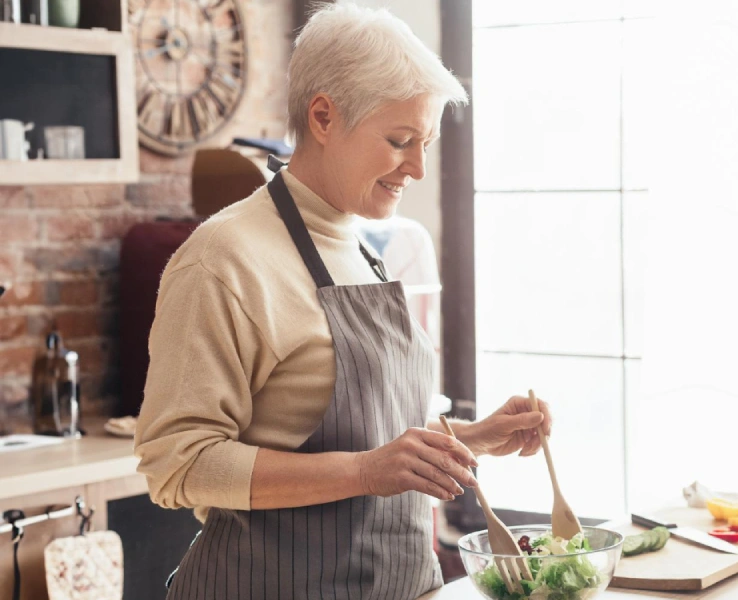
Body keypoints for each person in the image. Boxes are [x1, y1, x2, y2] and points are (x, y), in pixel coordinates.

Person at [133, 5, 552, 599]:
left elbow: (373, 431)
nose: (419, 167)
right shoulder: (223, 259)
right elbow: (177, 463)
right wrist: (363, 472)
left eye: (425, 142)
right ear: (324, 117)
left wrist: (475, 437)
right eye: (400, 140)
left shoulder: (359, 245)